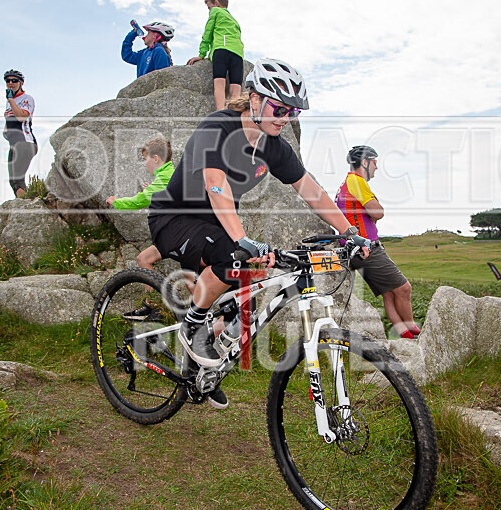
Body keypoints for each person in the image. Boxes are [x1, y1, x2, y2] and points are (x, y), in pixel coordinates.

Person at [148, 58, 369, 409]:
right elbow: (215, 183)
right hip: (174, 217)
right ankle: (192, 329)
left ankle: (200, 370)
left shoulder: (275, 147)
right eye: (279, 108)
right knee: (231, 257)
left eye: (292, 112)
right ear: (254, 99)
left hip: (217, 222)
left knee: (245, 294)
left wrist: (350, 232)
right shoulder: (218, 127)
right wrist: (240, 239)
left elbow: (311, 190)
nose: (285, 117)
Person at [335, 145, 421, 340]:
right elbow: (377, 212)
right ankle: (414, 332)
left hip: (354, 249)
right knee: (404, 288)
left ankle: (405, 334)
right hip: (367, 248)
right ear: (364, 162)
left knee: (389, 294)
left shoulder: (346, 183)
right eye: (375, 162)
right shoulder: (356, 182)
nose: (376, 167)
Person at [104, 136, 196, 301]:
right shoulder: (169, 174)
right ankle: (154, 306)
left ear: (156, 158)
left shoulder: (164, 179)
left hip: (179, 236)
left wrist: (115, 202)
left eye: (145, 159)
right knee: (145, 259)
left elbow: (139, 201)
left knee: (192, 283)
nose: (144, 164)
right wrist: (152, 189)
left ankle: (155, 306)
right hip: (182, 234)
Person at [186, 0, 244, 110]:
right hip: (238, 54)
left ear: (216, 3)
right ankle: (234, 116)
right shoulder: (234, 20)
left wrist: (202, 54)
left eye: (209, 7)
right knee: (236, 88)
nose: (209, 10)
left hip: (222, 50)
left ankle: (220, 113)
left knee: (219, 84)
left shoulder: (216, 11)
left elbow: (208, 32)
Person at [3, 70, 37, 198]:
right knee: (14, 181)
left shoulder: (26, 98)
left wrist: (11, 100)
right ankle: (27, 205)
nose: (11, 83)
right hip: (15, 143)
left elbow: (22, 117)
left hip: (25, 143)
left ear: (21, 83)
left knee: (17, 180)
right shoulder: (9, 101)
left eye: (14, 80)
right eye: (8, 81)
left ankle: (26, 208)